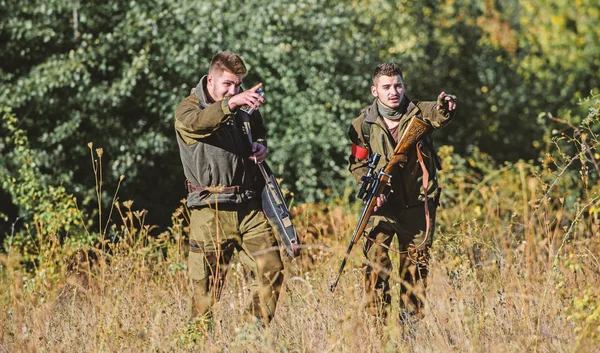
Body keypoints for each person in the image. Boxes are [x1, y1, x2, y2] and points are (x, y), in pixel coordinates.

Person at [174, 51, 284, 328]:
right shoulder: (187, 110)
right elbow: (201, 123)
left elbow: (257, 128)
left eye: (237, 85)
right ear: (210, 80)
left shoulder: (240, 105)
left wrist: (259, 145)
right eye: (227, 84)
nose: (233, 90)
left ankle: (250, 336)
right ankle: (198, 344)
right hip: (209, 210)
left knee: (271, 269)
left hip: (248, 207)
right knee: (204, 293)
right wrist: (232, 103)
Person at [347, 62, 457, 320]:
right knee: (375, 263)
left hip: (418, 204)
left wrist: (446, 105)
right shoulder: (364, 124)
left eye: (398, 85)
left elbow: (440, 114)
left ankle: (411, 331)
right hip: (383, 206)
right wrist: (371, 184)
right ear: (375, 91)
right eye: (386, 87)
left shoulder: (419, 111)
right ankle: (379, 327)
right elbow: (358, 162)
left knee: (415, 272)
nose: (393, 91)